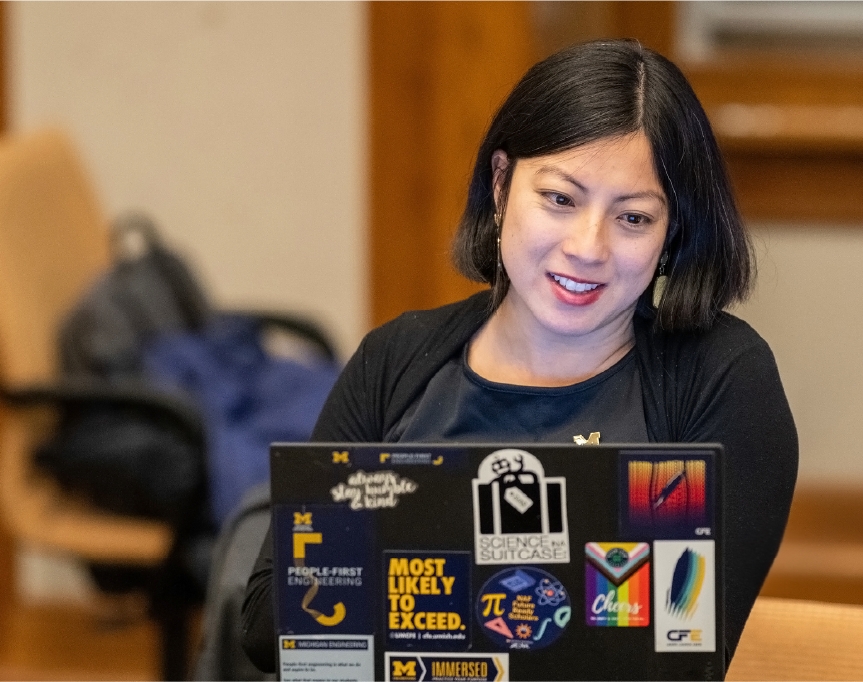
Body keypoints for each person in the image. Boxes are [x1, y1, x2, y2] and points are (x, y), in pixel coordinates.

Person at [241, 38, 797, 671]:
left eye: (634, 218)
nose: (588, 247)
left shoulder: (719, 377)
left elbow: (674, 658)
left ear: (672, 233)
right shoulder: (394, 361)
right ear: (502, 184)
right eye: (560, 199)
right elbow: (270, 628)